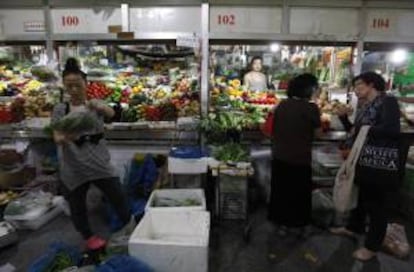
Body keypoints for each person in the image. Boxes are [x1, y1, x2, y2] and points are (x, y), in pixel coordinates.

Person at [52, 58, 135, 250]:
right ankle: (88, 237)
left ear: (85, 84)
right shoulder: (60, 109)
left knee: (118, 196)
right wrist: (66, 137)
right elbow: (56, 135)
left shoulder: (94, 105)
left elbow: (111, 114)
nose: (73, 90)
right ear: (64, 86)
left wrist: (101, 106)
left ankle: (130, 229)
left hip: (99, 163)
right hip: (73, 166)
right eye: (69, 86)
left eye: (77, 85)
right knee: (77, 205)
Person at [331, 72, 401, 261]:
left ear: (371, 85)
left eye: (359, 85)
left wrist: (364, 130)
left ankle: (372, 247)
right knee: (361, 196)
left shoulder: (388, 102)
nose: (356, 90)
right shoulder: (365, 105)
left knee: (376, 203)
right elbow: (355, 132)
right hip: (362, 158)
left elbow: (392, 130)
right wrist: (345, 119)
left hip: (378, 161)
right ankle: (353, 228)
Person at [268, 73, 322, 236]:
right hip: (300, 158)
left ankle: (281, 225)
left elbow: (273, 129)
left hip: (280, 156)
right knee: (300, 193)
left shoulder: (282, 105)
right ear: (309, 89)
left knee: (281, 191)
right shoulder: (311, 108)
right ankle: (300, 224)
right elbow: (318, 134)